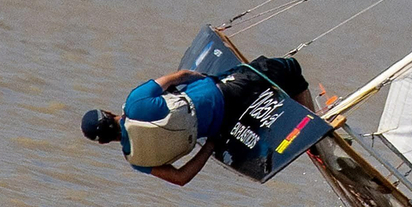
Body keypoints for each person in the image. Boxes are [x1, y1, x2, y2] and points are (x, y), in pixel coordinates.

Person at [80, 55, 313, 185]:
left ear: (104, 142)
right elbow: (180, 76)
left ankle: (304, 129)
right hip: (229, 92)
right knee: (289, 67)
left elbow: (181, 178)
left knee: (272, 80)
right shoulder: (134, 103)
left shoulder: (137, 159)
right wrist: (206, 78)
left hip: (223, 129)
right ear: (109, 113)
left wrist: (211, 145)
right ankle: (313, 125)